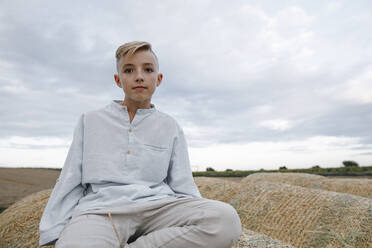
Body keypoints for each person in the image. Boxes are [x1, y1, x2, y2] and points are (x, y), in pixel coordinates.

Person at [39, 41, 242, 248]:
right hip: (101, 211)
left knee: (226, 220)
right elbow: (70, 177)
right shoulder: (90, 120)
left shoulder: (170, 126)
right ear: (118, 80)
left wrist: (196, 213)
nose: (139, 76)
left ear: (158, 79)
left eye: (148, 69)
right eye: (129, 70)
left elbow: (183, 183)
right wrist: (53, 230)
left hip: (159, 208)